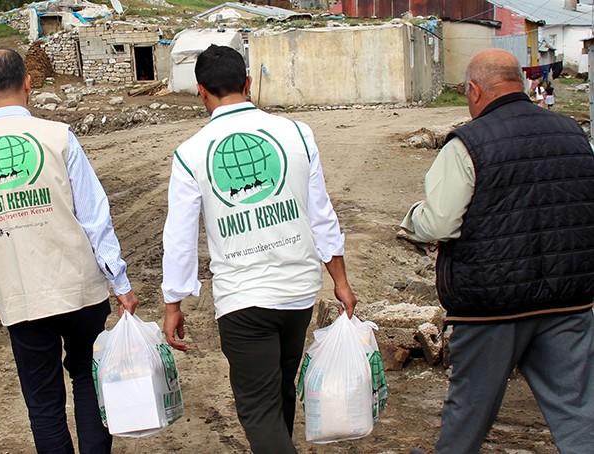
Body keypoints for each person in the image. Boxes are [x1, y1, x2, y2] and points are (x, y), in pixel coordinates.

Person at [0, 48, 139, 454]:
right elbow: (96, 215)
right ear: (28, 83)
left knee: (43, 403)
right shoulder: (59, 137)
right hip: (80, 290)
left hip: (21, 296)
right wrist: (121, 282)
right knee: (88, 379)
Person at [160, 44, 357, 454]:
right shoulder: (297, 134)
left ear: (201, 91)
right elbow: (321, 213)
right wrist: (340, 280)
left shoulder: (190, 153)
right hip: (299, 292)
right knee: (280, 393)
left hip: (243, 300)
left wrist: (173, 303)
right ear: (248, 83)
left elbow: (179, 235)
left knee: (258, 410)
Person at [400, 48, 594, 454]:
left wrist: (412, 219)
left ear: (474, 90)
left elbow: (439, 223)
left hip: (492, 306)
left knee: (469, 409)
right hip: (568, 300)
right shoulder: (572, 133)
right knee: (577, 409)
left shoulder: (468, 143)